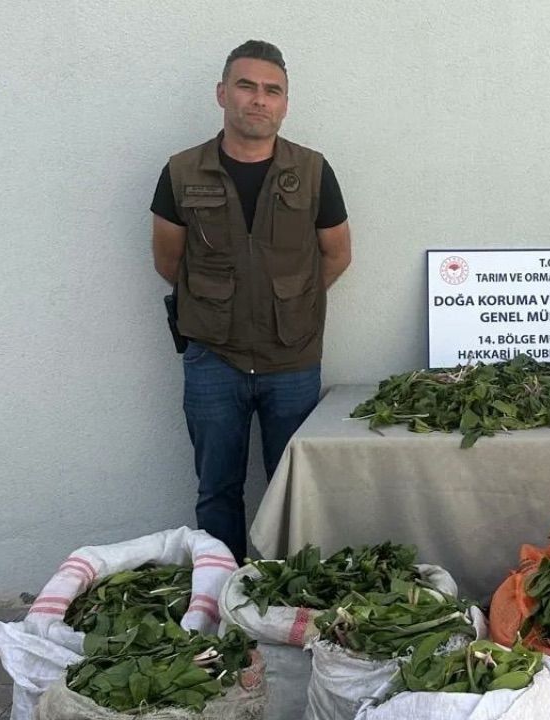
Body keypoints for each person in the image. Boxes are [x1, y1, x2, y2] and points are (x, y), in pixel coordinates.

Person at [150, 40, 352, 559]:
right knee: (217, 491)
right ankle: (220, 595)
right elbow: (169, 261)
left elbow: (337, 253)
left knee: (296, 493)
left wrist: (288, 304)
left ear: (285, 103)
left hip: (292, 360)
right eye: (246, 86)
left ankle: (287, 597)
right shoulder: (181, 171)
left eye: (271, 90)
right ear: (222, 94)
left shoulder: (312, 171)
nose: (258, 99)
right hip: (212, 357)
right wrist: (222, 307)